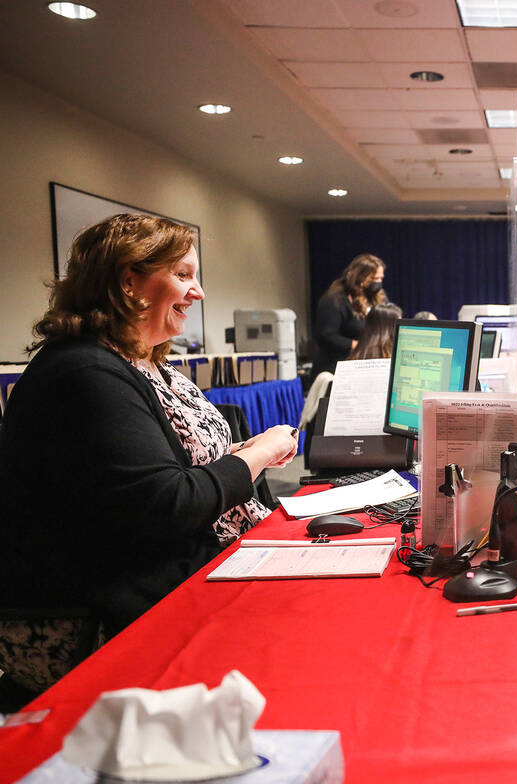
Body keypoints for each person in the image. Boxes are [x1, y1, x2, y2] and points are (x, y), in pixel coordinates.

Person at [0, 213, 298, 691]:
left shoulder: (146, 362)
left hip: (169, 574)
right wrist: (259, 454)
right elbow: (167, 504)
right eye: (182, 275)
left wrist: (244, 451)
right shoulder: (84, 371)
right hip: (99, 616)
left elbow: (173, 463)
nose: (198, 291)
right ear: (129, 282)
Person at [311, 253, 387, 376]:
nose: (378, 283)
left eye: (380, 278)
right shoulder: (334, 300)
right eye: (374, 279)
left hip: (365, 366)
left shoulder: (377, 297)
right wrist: (359, 345)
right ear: (360, 277)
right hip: (335, 368)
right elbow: (325, 335)